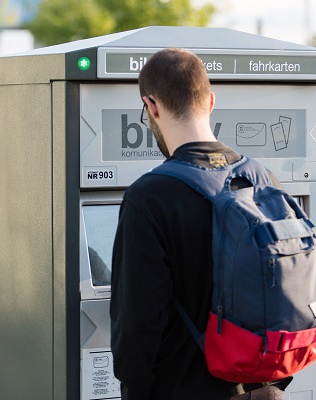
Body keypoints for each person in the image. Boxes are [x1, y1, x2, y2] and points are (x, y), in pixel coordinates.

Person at [110, 48, 289, 400]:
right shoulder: (264, 180)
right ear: (210, 101)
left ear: (152, 107)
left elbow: (136, 330)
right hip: (261, 392)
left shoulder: (149, 198)